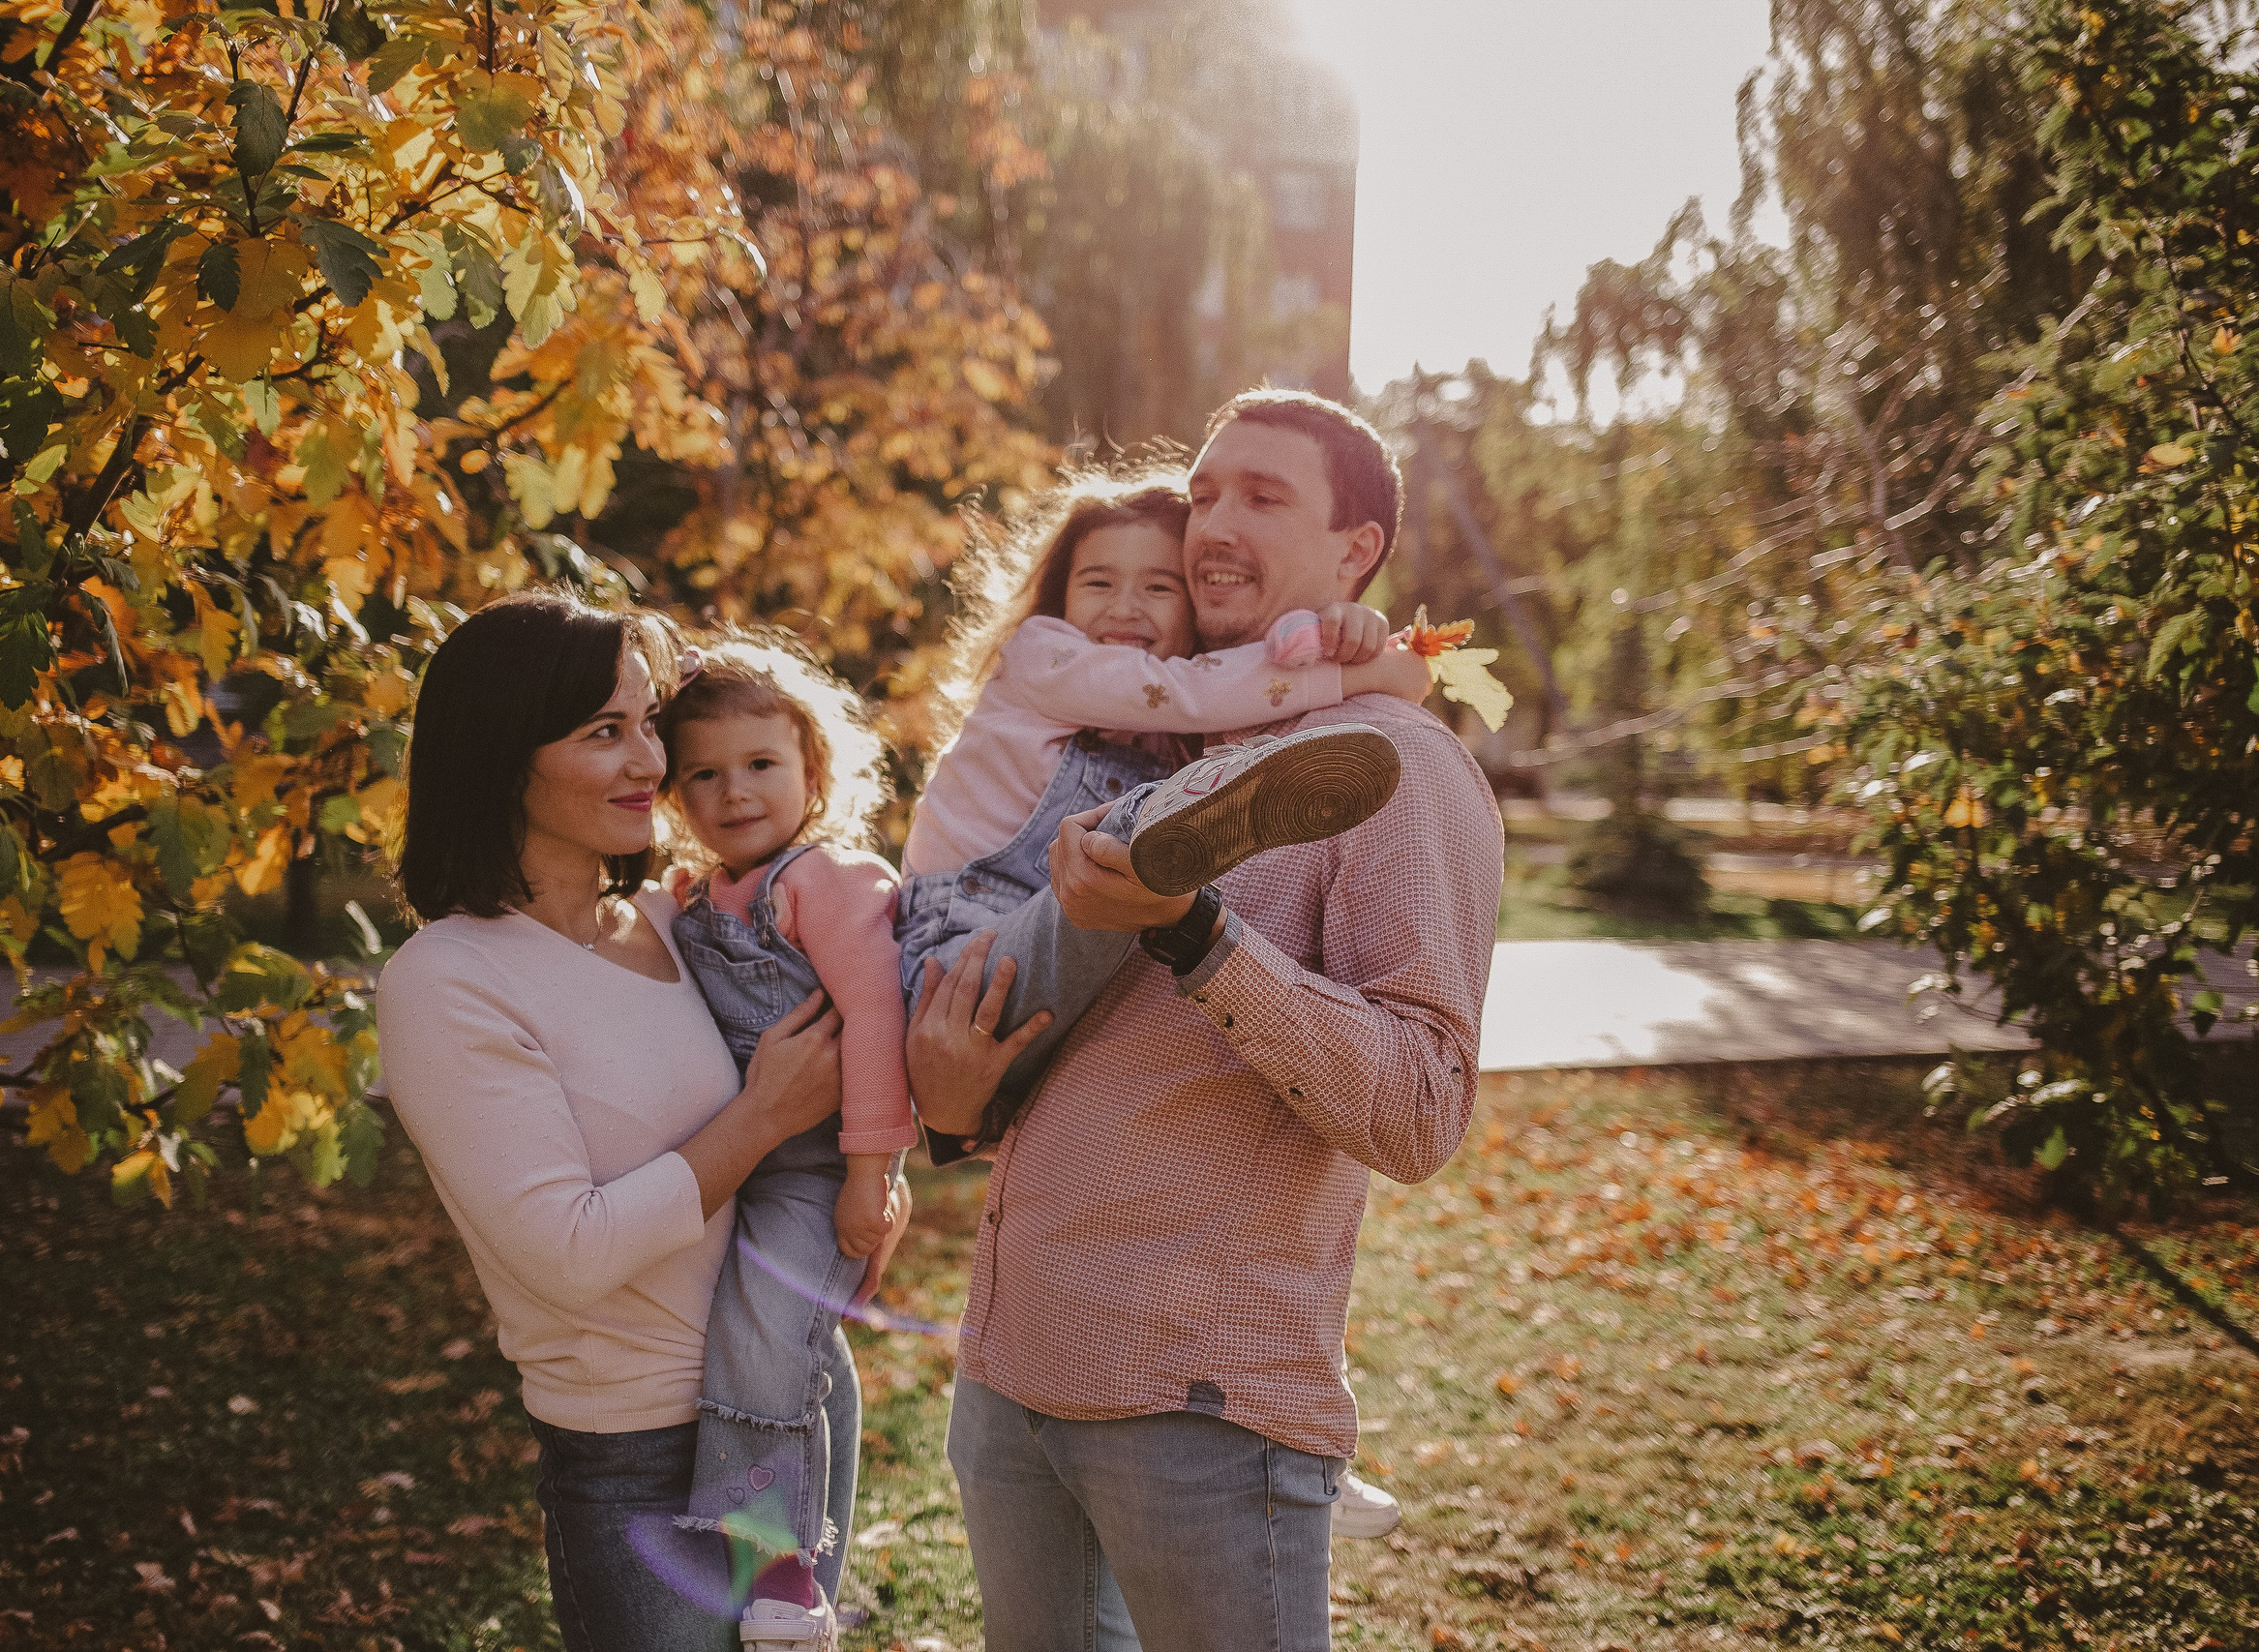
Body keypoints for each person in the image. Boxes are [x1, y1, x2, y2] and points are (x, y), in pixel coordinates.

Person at [906, 390, 1505, 1652]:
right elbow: (986, 1085)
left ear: (1358, 551)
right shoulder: (1132, 746)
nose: (1213, 525)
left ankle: (1161, 878)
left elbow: (1419, 1110)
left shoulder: (1398, 767)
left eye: (1264, 497)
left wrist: (1197, 935)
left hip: (1199, 1399)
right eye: (1206, 494)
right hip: (1011, 1372)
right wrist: (950, 1099)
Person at [374, 591, 898, 1652]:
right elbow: (567, 1254)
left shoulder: (677, 917)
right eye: (602, 733)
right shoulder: (448, 977)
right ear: (501, 758)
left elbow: (865, 1022)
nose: (650, 763)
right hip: (637, 1454)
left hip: (789, 1404)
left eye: (647, 722)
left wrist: (868, 1176)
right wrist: (758, 1121)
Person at [894, 467, 1431, 1145]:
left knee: (1115, 870)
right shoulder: (1042, 656)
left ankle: (1183, 844)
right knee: (1117, 842)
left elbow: (1240, 667)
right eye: (1097, 582)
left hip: (1063, 988)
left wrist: (1332, 629)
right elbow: (1190, 690)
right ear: (1059, 595)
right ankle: (1192, 822)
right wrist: (1368, 669)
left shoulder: (1172, 713)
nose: (1124, 606)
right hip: (960, 963)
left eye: (1158, 586)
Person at [656, 634, 919, 1648]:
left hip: (814, 1170)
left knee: (767, 1351)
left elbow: (877, 1022)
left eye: (761, 764)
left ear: (814, 765)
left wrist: (870, 1175)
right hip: (732, 1159)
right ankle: (743, 1545)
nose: (734, 793)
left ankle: (784, 1570)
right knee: (736, 1346)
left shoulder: (826, 882)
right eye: (703, 776)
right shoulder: (692, 897)